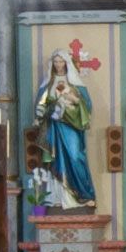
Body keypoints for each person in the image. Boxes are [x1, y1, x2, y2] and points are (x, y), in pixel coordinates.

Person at [34, 51, 95, 208]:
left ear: (67, 63)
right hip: (54, 128)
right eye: (55, 62)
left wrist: (72, 100)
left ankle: (84, 195)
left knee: (75, 156)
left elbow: (86, 106)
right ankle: (59, 197)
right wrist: (49, 109)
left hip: (71, 126)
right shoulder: (48, 85)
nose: (58, 65)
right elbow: (40, 106)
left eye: (61, 61)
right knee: (56, 159)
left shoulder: (75, 84)